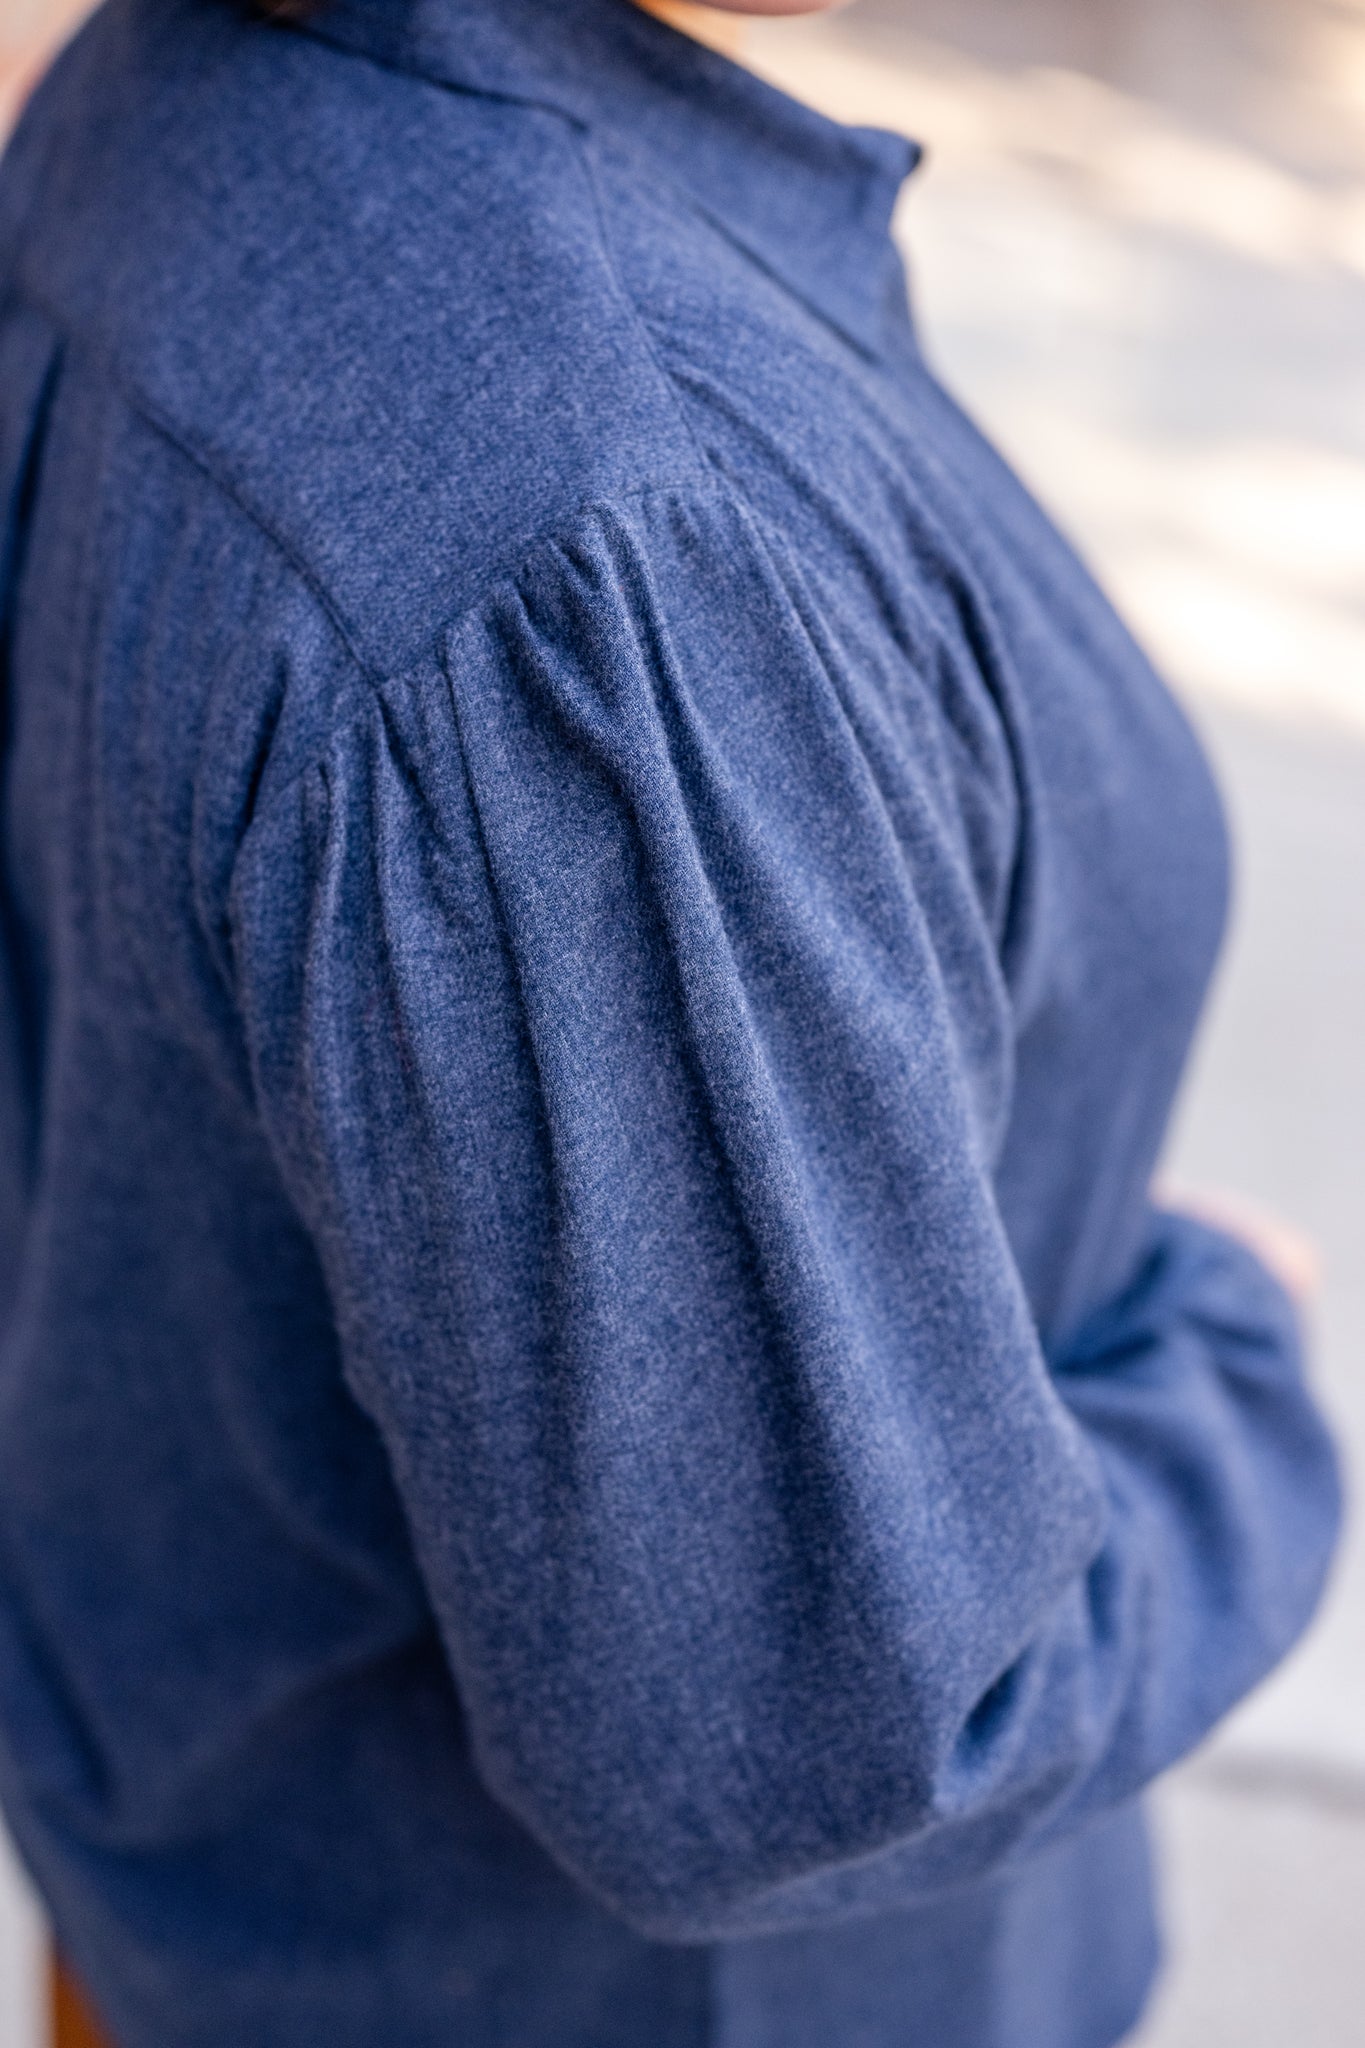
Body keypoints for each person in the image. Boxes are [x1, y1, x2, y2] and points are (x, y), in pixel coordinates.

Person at [0, 1, 1342, 2045]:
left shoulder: (159, 110)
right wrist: (1227, 1376)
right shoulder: (583, 546)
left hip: (216, 1894)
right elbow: (811, 1738)